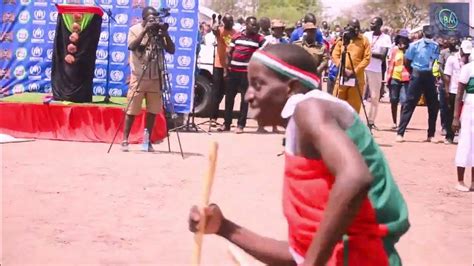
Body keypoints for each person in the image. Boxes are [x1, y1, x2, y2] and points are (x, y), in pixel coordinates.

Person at [188, 44, 409, 265]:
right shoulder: (305, 133)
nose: (248, 96)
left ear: (291, 88)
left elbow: (355, 177)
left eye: (258, 84)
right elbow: (301, 255)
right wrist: (225, 227)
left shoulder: (309, 108)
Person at [121, 6, 175, 152]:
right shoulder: (134, 29)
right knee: (132, 109)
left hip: (155, 77)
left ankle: (147, 140)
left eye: (155, 19)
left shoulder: (159, 32)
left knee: (153, 111)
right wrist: (145, 31)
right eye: (151, 19)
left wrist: (165, 34)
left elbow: (172, 50)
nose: (153, 22)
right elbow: (132, 46)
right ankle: (125, 139)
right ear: (144, 19)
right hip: (138, 76)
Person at [219, 16, 266, 134]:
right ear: (246, 24)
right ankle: (227, 124)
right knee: (229, 98)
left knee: (245, 101)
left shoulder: (259, 39)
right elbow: (229, 51)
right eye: (253, 25)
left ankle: (240, 125)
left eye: (256, 25)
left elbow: (266, 52)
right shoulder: (237, 36)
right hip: (233, 72)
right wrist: (227, 68)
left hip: (247, 73)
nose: (255, 27)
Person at [396, 25, 440, 143]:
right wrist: (413, 72)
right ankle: (400, 133)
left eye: (431, 35)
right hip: (417, 73)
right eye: (428, 35)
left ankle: (431, 134)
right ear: (423, 34)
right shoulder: (414, 45)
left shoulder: (435, 46)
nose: (430, 37)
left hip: (429, 75)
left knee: (433, 105)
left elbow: (435, 60)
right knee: (410, 103)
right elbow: (407, 61)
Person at [332, 19, 371, 113]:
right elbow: (335, 55)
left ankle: (351, 127)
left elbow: (367, 58)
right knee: (337, 104)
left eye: (358, 27)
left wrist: (355, 71)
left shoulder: (364, 40)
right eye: (354, 27)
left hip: (357, 79)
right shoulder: (342, 39)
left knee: (353, 108)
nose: (357, 30)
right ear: (348, 27)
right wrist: (342, 68)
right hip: (342, 77)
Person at [363, 17, 392, 129]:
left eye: (373, 24)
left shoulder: (386, 38)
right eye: (371, 23)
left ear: (380, 25)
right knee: (359, 95)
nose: (371, 25)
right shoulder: (366, 35)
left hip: (375, 70)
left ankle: (371, 121)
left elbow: (382, 56)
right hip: (363, 67)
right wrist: (369, 54)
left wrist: (368, 53)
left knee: (375, 97)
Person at [452, 52, 474, 192]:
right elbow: (459, 93)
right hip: (470, 107)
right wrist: (455, 116)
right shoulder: (468, 68)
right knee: (465, 142)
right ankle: (460, 181)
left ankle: (473, 182)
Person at [209, 14, 236, 127]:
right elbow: (214, 30)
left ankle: (227, 120)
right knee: (216, 92)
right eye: (228, 21)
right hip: (219, 65)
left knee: (227, 93)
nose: (230, 23)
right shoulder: (220, 30)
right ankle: (213, 118)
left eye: (231, 20)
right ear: (224, 22)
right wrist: (216, 22)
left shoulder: (235, 33)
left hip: (230, 66)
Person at [444, 40, 472, 145]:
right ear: (460, 49)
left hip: (466, 91)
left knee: (463, 114)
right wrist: (447, 89)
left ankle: (462, 136)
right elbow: (447, 75)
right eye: (464, 52)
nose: (466, 55)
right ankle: (449, 136)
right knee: (451, 113)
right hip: (454, 89)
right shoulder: (452, 59)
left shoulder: (470, 61)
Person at [386, 29, 410, 129]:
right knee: (393, 99)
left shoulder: (409, 50)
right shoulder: (394, 50)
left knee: (404, 101)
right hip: (394, 77)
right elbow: (390, 63)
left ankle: (402, 122)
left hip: (405, 78)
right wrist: (388, 77)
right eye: (400, 39)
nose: (402, 41)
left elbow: (410, 64)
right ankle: (394, 121)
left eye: (404, 39)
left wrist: (405, 52)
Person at [438, 36, 459, 136]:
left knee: (455, 106)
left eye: (454, 41)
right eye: (451, 41)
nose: (452, 42)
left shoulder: (459, 54)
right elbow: (440, 67)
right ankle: (444, 126)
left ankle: (454, 127)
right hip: (444, 83)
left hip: (456, 84)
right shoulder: (443, 52)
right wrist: (446, 77)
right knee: (444, 107)